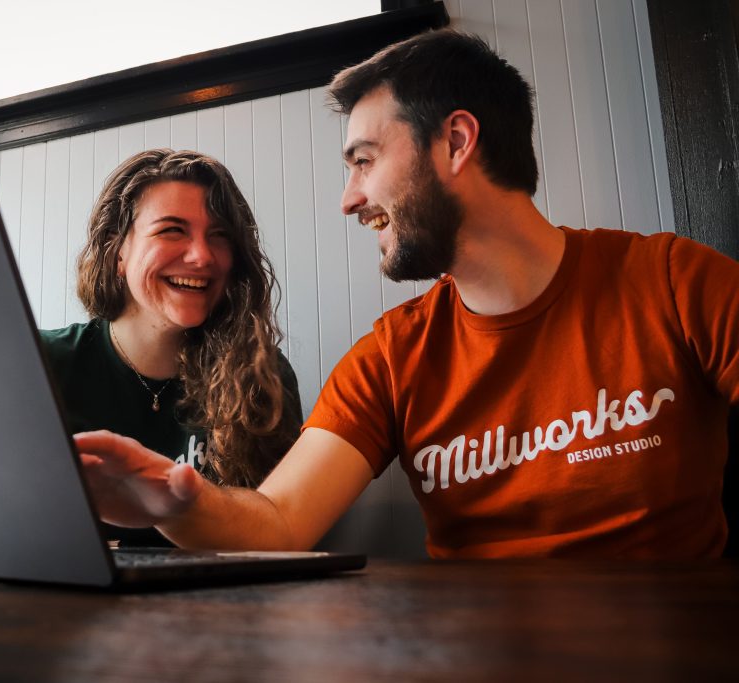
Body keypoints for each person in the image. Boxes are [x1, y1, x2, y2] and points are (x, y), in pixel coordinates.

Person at [73, 30, 739, 559]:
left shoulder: (675, 282)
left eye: (363, 160)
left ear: (455, 142)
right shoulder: (394, 357)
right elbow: (280, 522)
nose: (349, 199)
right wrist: (176, 504)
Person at [39, 149, 303, 546]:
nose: (202, 256)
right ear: (117, 251)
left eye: (219, 236)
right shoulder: (43, 363)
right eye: (172, 230)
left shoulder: (262, 376)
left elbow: (279, 534)